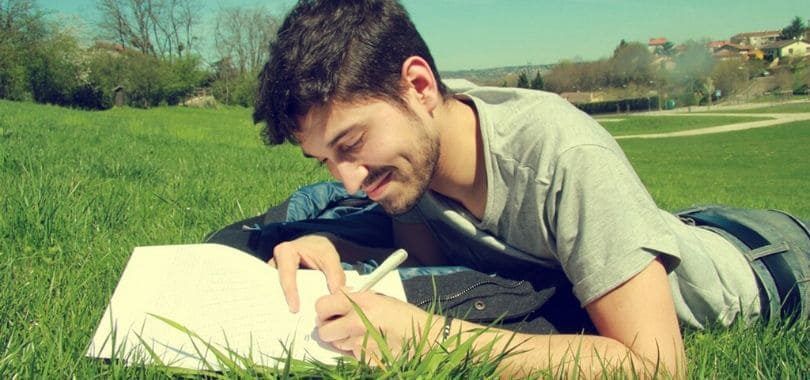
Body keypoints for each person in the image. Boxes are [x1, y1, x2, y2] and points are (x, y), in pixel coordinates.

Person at [252, 0, 809, 377]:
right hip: (681, 226)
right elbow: (426, 262)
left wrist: (428, 337)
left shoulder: (559, 150)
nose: (349, 178)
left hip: (767, 260)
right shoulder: (412, 155)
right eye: (325, 161)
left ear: (419, 86)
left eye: (351, 144)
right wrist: (336, 247)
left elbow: (657, 366)